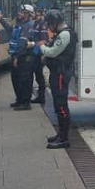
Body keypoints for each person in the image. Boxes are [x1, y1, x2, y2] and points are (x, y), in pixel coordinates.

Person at [35, 9, 76, 149]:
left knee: (61, 105)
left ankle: (64, 138)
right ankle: (61, 134)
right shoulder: (62, 34)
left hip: (60, 73)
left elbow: (53, 52)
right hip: (57, 72)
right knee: (58, 106)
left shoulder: (64, 35)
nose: (48, 27)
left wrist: (42, 48)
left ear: (54, 22)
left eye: (49, 23)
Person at [0, 4, 35, 111]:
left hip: (24, 58)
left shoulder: (28, 26)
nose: (19, 14)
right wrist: (1, 20)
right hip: (16, 56)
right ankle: (19, 100)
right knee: (16, 80)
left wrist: (17, 57)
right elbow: (11, 31)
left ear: (28, 14)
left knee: (24, 81)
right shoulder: (20, 25)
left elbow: (22, 44)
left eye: (22, 12)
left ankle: (25, 103)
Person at [30, 7, 50, 105]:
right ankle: (40, 97)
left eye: (34, 13)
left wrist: (43, 55)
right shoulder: (35, 24)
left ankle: (42, 97)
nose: (33, 14)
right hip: (35, 53)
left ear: (39, 13)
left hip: (39, 54)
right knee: (37, 76)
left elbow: (43, 40)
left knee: (39, 76)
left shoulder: (42, 24)